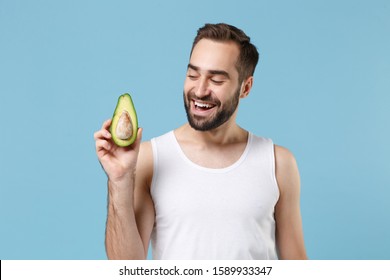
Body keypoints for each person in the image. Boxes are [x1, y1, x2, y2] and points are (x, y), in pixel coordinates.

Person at [94, 23, 307, 260]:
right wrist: (120, 181)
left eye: (216, 80)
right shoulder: (150, 159)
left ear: (245, 87)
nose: (200, 90)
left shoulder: (278, 163)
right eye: (193, 75)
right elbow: (127, 267)